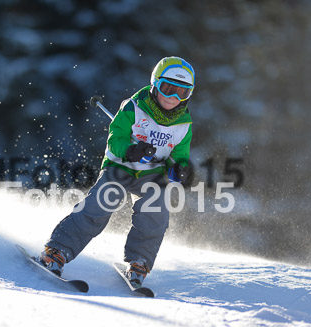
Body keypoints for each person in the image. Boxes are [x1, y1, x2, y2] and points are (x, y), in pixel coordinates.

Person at [39, 56, 195, 287]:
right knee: (100, 205)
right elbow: (115, 139)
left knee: (156, 212)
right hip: (120, 168)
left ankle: (139, 261)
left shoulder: (184, 124)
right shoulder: (134, 107)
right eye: (168, 88)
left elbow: (180, 154)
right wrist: (130, 150)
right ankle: (57, 251)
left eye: (182, 93)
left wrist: (179, 168)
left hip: (151, 174)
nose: (173, 97)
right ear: (155, 84)